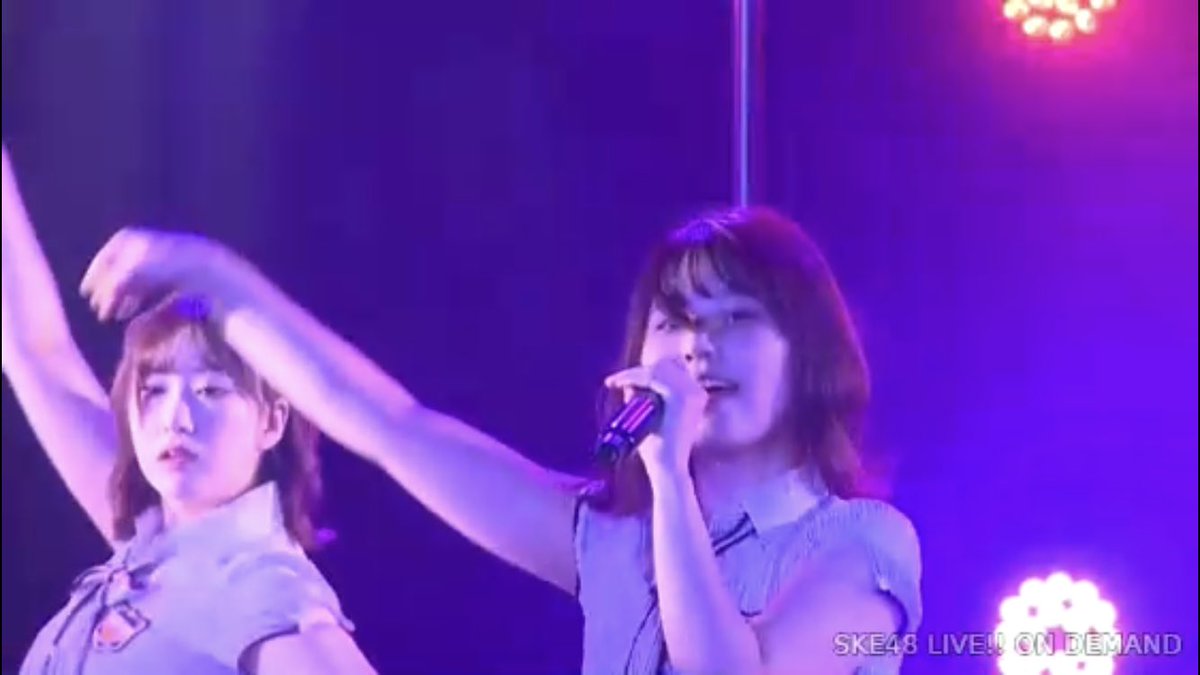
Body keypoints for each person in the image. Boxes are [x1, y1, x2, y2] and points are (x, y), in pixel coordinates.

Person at [76, 200, 921, 673]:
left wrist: (667, 476)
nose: (699, 348)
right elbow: (390, 423)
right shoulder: (610, 539)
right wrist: (217, 278)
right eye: (675, 321)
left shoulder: (862, 543)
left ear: (808, 352)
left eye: (736, 319)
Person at [1, 146, 377, 674]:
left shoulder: (261, 589)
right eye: (154, 391)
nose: (175, 418)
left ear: (271, 420)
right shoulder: (152, 540)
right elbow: (38, 354)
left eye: (210, 391)